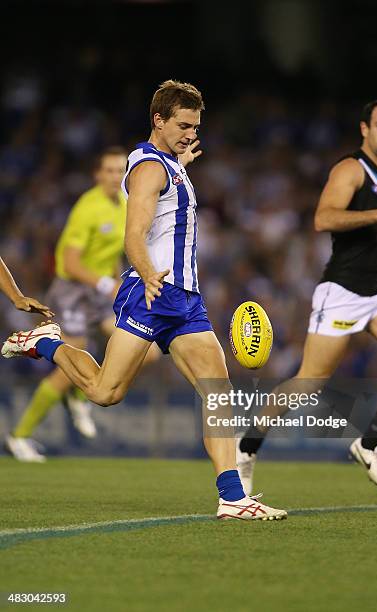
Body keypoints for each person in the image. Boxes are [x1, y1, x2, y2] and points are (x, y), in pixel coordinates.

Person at [2, 80, 286, 520]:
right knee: (104, 392)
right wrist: (148, 271)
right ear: (159, 120)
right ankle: (46, 343)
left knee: (217, 387)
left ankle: (232, 498)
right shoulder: (151, 169)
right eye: (184, 125)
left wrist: (181, 162)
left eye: (196, 126)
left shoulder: (167, 163)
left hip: (185, 298)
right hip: (152, 292)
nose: (192, 133)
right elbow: (134, 233)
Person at [237, 97, 377, 494]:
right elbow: (323, 218)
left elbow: (364, 234)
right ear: (365, 130)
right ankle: (247, 448)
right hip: (343, 291)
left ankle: (368, 444)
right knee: (309, 382)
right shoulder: (350, 169)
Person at [5, 147, 162, 463]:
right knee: (67, 370)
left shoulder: (124, 204)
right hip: (73, 292)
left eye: (122, 170)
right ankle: (19, 436)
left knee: (150, 352)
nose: (117, 176)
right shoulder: (87, 209)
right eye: (110, 171)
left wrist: (120, 284)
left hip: (101, 293)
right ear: (97, 175)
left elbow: (116, 254)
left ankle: (82, 393)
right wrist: (109, 285)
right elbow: (70, 262)